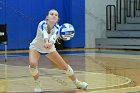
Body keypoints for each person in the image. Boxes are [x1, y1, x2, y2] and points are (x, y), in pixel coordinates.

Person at [29, 9, 88, 92]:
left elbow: (54, 37)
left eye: (56, 15)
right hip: (36, 47)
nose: (53, 15)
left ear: (57, 19)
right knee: (32, 64)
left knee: (64, 66)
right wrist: (46, 42)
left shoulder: (58, 28)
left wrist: (50, 43)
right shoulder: (42, 23)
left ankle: (77, 83)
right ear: (47, 17)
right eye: (51, 14)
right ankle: (37, 83)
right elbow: (44, 33)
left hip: (49, 48)